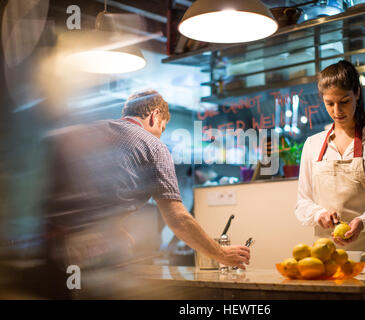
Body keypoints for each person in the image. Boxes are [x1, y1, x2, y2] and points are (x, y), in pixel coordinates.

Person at [41, 90, 250, 298]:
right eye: (162, 128)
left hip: (46, 249)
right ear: (155, 116)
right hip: (91, 258)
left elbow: (86, 190)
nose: (160, 134)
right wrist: (221, 253)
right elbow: (178, 219)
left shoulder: (91, 132)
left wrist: (112, 225)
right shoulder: (154, 147)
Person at [294, 60, 365, 264]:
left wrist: (364, 222)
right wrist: (320, 214)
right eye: (330, 103)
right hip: (327, 256)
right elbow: (303, 202)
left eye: (344, 101)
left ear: (357, 93)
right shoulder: (312, 144)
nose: (337, 110)